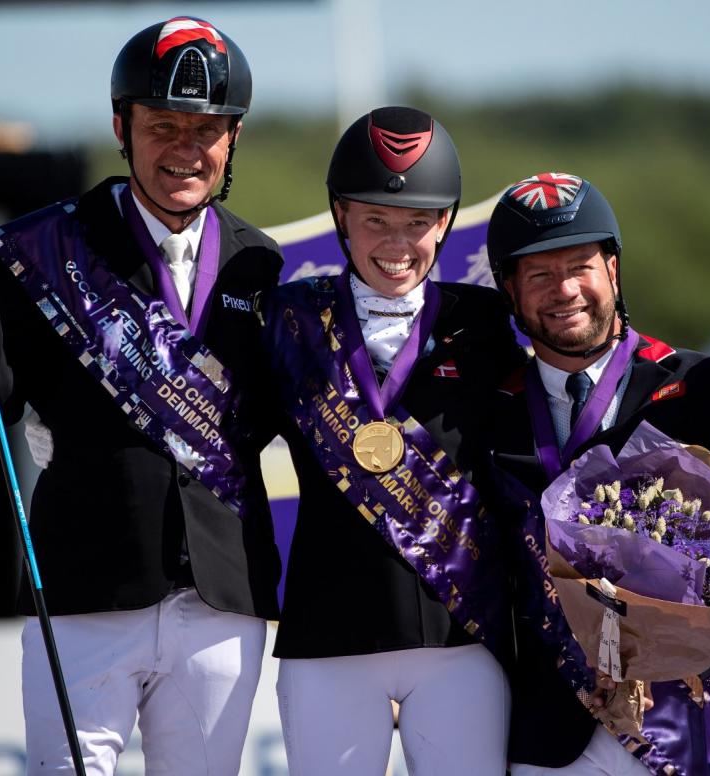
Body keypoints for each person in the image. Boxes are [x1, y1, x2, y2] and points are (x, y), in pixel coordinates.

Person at [0, 17, 282, 775]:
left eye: (205, 131)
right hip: (87, 585)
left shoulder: (263, 264)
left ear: (233, 138)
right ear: (122, 126)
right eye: (163, 127)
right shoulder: (34, 249)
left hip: (223, 594)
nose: (185, 151)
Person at [260, 106, 526, 775]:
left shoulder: (486, 324)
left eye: (417, 222)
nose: (397, 242)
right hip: (328, 638)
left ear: (445, 222)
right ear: (340, 216)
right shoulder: (289, 320)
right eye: (375, 219)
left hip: (461, 639)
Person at [483, 172, 710, 775]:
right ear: (510, 291)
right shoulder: (490, 412)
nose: (564, 290)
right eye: (539, 275)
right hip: (549, 729)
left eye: (580, 267)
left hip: (685, 719)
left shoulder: (699, 386)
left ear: (612, 270)